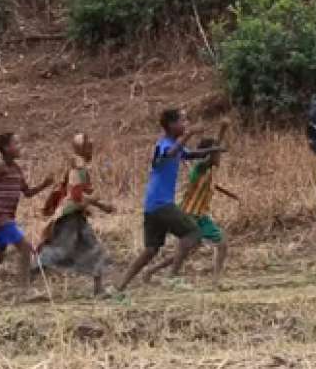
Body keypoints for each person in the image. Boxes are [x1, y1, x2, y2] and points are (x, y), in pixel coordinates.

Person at [115, 109, 223, 292]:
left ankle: (119, 287)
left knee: (151, 250)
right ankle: (172, 277)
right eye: (183, 121)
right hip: (162, 204)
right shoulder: (164, 145)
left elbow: (191, 154)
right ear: (172, 125)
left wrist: (214, 149)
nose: (186, 124)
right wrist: (189, 134)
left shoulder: (174, 145)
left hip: (152, 205)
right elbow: (171, 153)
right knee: (193, 234)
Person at [143, 121, 237, 288]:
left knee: (203, 247)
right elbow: (212, 154)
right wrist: (222, 129)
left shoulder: (211, 169)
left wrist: (229, 193)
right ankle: (169, 275)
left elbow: (212, 182)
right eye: (216, 155)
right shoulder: (201, 166)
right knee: (199, 246)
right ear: (209, 155)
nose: (219, 158)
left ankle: (153, 271)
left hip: (201, 215)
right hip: (189, 213)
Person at [0, 133, 53, 298]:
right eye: (16, 143)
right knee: (25, 249)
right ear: (6, 148)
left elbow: (27, 193)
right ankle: (24, 290)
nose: (19, 146)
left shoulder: (16, 170)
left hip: (7, 218)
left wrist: (44, 185)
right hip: (1, 218)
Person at [36, 133, 116, 297]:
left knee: (93, 248)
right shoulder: (78, 168)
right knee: (60, 252)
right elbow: (77, 195)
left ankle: (98, 290)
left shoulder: (78, 166)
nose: (91, 151)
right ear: (82, 149)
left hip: (75, 215)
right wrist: (101, 204)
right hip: (69, 217)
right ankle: (28, 272)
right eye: (89, 148)